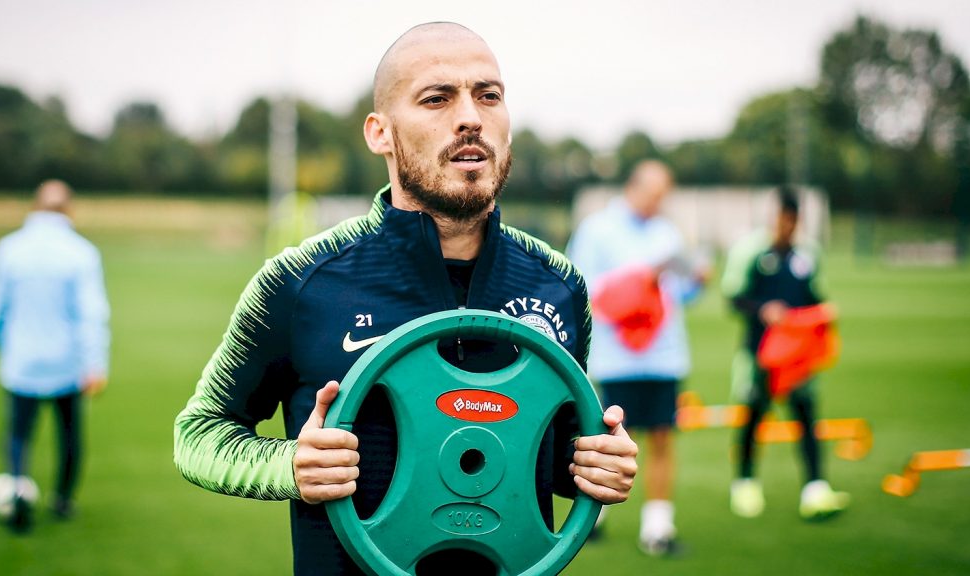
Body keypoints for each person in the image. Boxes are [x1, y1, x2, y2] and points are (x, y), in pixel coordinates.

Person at [173, 22, 638, 575]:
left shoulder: (558, 286)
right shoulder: (300, 281)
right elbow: (198, 434)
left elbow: (560, 450)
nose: (470, 116)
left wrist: (596, 462)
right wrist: (289, 465)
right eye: (437, 98)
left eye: (488, 95)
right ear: (380, 133)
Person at [567, 160, 708, 555]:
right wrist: (641, 278)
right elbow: (582, 289)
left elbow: (677, 295)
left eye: (664, 196)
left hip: (663, 355)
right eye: (653, 194)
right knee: (605, 438)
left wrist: (694, 282)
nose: (658, 202)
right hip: (617, 357)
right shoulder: (597, 230)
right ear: (634, 186)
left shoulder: (667, 232)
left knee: (662, 437)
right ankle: (594, 518)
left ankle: (658, 528)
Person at [0, 179, 110, 532]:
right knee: (68, 434)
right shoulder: (82, 251)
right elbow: (91, 314)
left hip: (21, 360)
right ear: (69, 209)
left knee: (18, 434)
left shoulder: (8, 248)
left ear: (35, 206)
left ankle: (18, 492)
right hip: (66, 362)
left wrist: (2, 347)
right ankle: (62, 500)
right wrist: (95, 363)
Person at [721, 187, 849, 520]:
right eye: (782, 219)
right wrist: (764, 310)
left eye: (792, 220)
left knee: (806, 417)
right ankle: (745, 483)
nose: (786, 226)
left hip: (797, 356)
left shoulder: (808, 254)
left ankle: (815, 487)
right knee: (753, 416)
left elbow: (815, 295)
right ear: (772, 217)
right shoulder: (751, 252)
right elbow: (734, 298)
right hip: (760, 354)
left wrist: (823, 312)